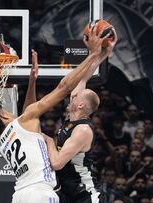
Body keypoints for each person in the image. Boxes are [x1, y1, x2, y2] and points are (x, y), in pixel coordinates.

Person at [0, 25, 116, 203]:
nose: (13, 114)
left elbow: (29, 113)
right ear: (5, 117)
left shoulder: (6, 142)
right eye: (9, 112)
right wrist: (93, 53)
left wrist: (102, 55)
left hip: (20, 195)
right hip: (40, 192)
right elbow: (63, 89)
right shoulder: (25, 122)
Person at [42, 29, 118, 202]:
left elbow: (57, 163)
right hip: (71, 194)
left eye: (75, 96)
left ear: (81, 105)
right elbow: (82, 78)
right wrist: (105, 52)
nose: (72, 96)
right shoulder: (72, 120)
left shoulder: (82, 130)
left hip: (87, 196)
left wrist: (48, 140)